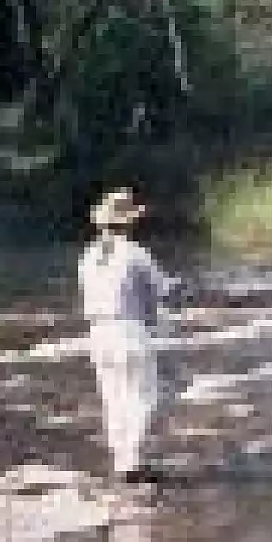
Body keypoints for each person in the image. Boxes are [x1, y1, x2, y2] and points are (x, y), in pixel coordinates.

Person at [79, 187, 175, 485]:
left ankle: (122, 460)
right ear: (130, 222)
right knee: (144, 398)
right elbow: (162, 290)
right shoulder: (135, 253)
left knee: (114, 399)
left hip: (98, 333)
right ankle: (133, 462)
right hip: (128, 331)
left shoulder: (89, 256)